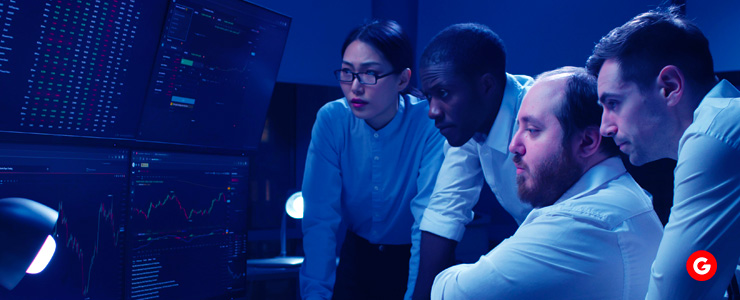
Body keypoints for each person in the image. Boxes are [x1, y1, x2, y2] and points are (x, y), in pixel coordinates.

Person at [430, 67, 663, 299]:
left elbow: (452, 293)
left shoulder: (579, 223)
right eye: (518, 127)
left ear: (587, 142)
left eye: (532, 130)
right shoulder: (619, 196)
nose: (514, 145)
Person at [586, 7, 740, 299]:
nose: (605, 127)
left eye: (614, 103)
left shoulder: (712, 135)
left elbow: (675, 290)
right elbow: (701, 270)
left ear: (669, 87)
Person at [300, 19, 445, 300]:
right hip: (357, 257)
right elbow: (319, 219)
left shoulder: (428, 123)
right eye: (347, 72)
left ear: (402, 79)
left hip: (418, 258)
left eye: (370, 74)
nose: (355, 87)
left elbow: (426, 221)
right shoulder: (332, 120)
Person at [413, 23, 534, 299]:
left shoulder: (539, 115)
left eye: (443, 93)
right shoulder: (469, 123)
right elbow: (445, 210)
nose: (432, 112)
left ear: (487, 86)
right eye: (428, 96)